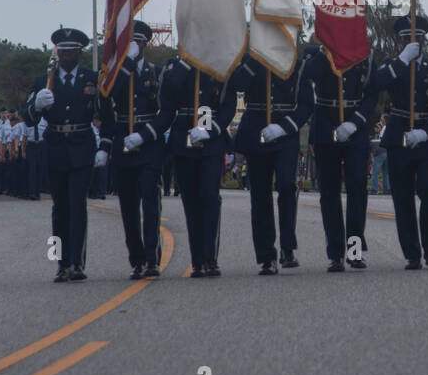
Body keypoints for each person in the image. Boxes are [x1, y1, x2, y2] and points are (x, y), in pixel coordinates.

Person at [27, 27, 114, 282]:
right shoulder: (44, 81)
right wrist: (36, 105)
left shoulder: (93, 79)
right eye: (62, 50)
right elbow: (28, 119)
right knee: (59, 209)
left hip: (82, 147)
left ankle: (77, 262)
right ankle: (61, 263)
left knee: (78, 206)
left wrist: (104, 147)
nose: (67, 54)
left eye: (72, 50)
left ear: (80, 52)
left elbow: (106, 116)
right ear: (58, 52)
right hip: (55, 147)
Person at [229, 40, 313, 276]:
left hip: (284, 133)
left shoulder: (295, 61)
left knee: (286, 185)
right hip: (256, 131)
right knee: (260, 195)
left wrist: (285, 126)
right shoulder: (251, 59)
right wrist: (255, 58)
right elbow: (237, 84)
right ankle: (266, 255)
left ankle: (287, 247)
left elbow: (306, 104)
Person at [374, 14, 428, 270]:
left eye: (416, 38)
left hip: (425, 138)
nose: (412, 42)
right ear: (401, 41)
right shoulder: (393, 66)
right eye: (407, 39)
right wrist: (402, 60)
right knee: (402, 197)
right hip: (398, 137)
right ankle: (411, 252)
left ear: (423, 40)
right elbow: (377, 83)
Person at [298, 43, 379, 271]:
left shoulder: (365, 56)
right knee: (329, 193)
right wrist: (320, 54)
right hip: (326, 127)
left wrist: (355, 123)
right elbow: (304, 74)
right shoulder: (320, 56)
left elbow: (371, 96)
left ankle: (354, 252)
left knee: (357, 191)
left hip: (355, 129)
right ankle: (335, 253)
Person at [157, 49, 236, 279]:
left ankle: (210, 257)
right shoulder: (176, 68)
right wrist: (186, 62)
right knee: (191, 202)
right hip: (184, 137)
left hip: (211, 140)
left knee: (210, 198)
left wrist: (210, 130)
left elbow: (228, 104)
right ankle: (197, 259)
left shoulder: (219, 66)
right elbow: (168, 94)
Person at [110, 21, 172, 279]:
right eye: (129, 42)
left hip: (149, 144)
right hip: (123, 142)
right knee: (127, 204)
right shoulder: (116, 73)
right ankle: (135, 258)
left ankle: (150, 258)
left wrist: (145, 135)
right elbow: (110, 96)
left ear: (146, 44)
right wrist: (127, 66)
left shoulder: (158, 73)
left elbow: (166, 112)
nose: (135, 45)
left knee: (150, 199)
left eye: (138, 42)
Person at [369, 117, 388, 197]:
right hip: (386, 153)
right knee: (385, 173)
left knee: (375, 173)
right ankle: (386, 190)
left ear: (381, 128)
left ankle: (374, 190)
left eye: (378, 127)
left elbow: (372, 149)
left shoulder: (378, 135)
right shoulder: (379, 135)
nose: (376, 128)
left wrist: (372, 157)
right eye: (375, 127)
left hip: (379, 154)